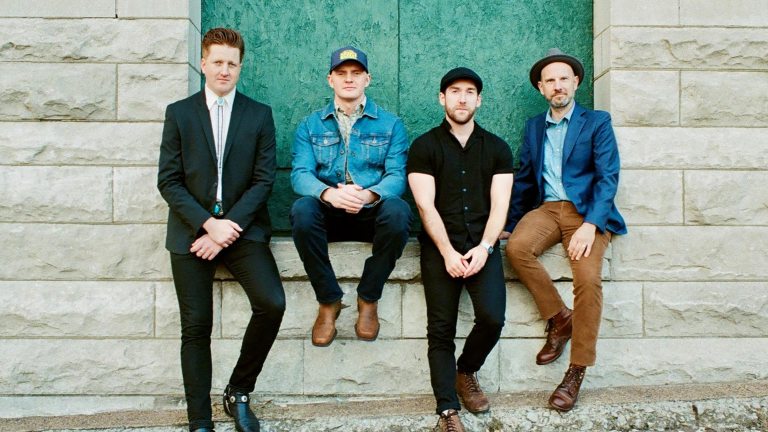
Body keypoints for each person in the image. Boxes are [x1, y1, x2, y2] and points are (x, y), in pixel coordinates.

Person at [157, 27, 284, 432]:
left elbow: (264, 181)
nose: (224, 70)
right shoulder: (179, 113)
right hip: (191, 232)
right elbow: (168, 180)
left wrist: (228, 228)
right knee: (196, 327)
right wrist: (208, 225)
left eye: (232, 63)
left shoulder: (259, 114)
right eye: (217, 62)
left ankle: (238, 391)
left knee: (272, 304)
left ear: (240, 67)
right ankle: (199, 420)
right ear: (203, 63)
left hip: (243, 231)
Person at [502, 48, 627, 412]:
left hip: (586, 211)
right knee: (517, 249)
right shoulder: (533, 127)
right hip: (547, 210)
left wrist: (592, 224)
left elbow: (608, 177)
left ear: (575, 83)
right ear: (541, 88)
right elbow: (525, 178)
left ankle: (576, 369)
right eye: (550, 81)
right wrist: (510, 225)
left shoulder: (597, 122)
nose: (557, 86)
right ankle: (560, 318)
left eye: (563, 79)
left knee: (587, 279)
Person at [408, 67, 514, 432]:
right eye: (455, 91)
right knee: (440, 330)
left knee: (492, 318)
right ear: (443, 98)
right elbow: (425, 206)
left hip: (482, 247)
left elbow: (500, 206)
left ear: (479, 100)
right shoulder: (424, 146)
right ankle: (447, 412)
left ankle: (465, 371)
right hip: (441, 250)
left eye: (470, 92)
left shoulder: (497, 148)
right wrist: (448, 253)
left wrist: (485, 248)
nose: (463, 98)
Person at [290, 46, 412, 347]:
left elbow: (397, 175)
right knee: (301, 211)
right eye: (341, 73)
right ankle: (329, 300)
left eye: (356, 74)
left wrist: (370, 195)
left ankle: (368, 298)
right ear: (330, 79)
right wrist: (329, 194)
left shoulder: (391, 124)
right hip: (329, 211)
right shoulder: (310, 125)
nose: (349, 79)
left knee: (398, 212)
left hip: (371, 212)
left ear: (367, 79)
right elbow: (300, 174)